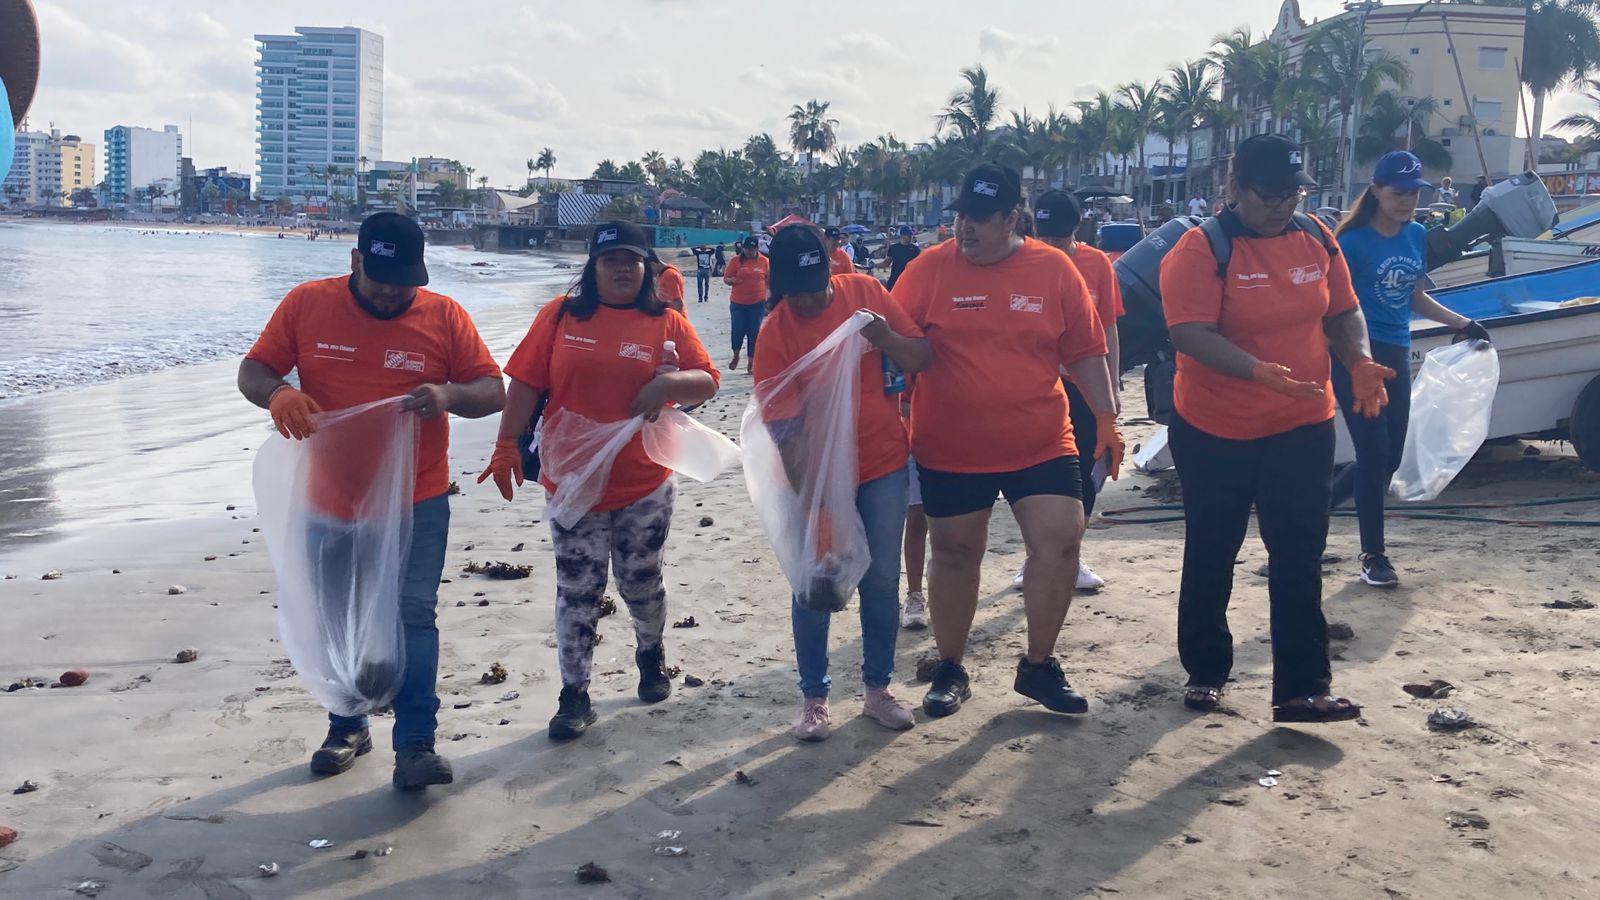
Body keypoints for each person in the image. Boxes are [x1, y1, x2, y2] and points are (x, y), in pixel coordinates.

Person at [238, 212, 506, 789]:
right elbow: (254, 370)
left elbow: (492, 391)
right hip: (328, 499)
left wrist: (450, 394)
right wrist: (280, 393)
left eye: (404, 279)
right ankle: (347, 724)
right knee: (339, 616)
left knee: (412, 616)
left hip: (418, 499)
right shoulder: (308, 304)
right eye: (381, 275)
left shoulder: (445, 317)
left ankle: (415, 745)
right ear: (355, 260)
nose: (391, 290)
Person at [1158, 134, 1393, 723]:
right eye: (1268, 194)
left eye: (1292, 193)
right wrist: (1258, 372)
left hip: (1300, 423)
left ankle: (1301, 687)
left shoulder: (1315, 237)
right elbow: (1190, 333)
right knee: (1214, 548)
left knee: (1298, 552)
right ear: (1234, 189)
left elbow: (1342, 311)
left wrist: (1359, 360)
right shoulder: (1200, 248)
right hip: (1214, 428)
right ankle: (1207, 670)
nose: (1282, 205)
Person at [890, 163, 1125, 719]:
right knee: (955, 554)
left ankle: (1038, 666)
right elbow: (895, 348)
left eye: (979, 218)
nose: (964, 229)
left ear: (1011, 218)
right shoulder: (927, 272)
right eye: (960, 217)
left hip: (1040, 438)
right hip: (950, 443)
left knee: (1062, 540)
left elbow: (1087, 351)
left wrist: (1110, 420)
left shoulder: (1054, 269)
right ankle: (949, 666)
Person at [478, 221, 720, 741]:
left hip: (644, 481)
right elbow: (524, 382)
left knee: (639, 580)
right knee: (578, 588)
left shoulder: (667, 323)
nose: (621, 270)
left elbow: (708, 381)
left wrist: (671, 382)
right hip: (572, 479)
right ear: (593, 267)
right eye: (611, 261)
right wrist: (504, 445)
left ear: (646, 268)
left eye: (632, 261)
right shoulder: (561, 316)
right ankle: (574, 694)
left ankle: (651, 654)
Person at [753, 225, 932, 741]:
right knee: (816, 581)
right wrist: (818, 508)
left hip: (882, 465)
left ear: (831, 267)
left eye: (815, 285)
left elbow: (920, 357)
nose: (808, 299)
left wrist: (883, 338)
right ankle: (814, 698)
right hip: (813, 471)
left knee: (880, 580)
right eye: (795, 290)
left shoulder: (867, 295)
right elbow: (785, 433)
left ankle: (877, 689)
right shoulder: (775, 333)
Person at [1331, 152, 1491, 587]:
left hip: (1397, 351)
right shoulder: (1353, 242)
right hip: (1357, 355)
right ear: (1377, 191)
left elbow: (1414, 296)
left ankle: (1315, 514)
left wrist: (1462, 323)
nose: (1407, 201)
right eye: (1398, 192)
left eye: (1414, 192)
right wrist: (1345, 356)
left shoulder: (1416, 234)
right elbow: (1329, 307)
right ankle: (1373, 555)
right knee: (1372, 453)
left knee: (1390, 455)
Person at [1020, 190, 1124, 592]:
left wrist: (1112, 386)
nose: (1052, 246)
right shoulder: (1023, 261)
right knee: (1035, 476)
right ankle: (1034, 558)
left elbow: (1110, 326)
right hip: (1039, 385)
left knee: (1084, 472)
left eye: (1060, 239)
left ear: (1076, 230)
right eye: (1044, 237)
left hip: (1084, 386)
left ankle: (1073, 556)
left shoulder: (1097, 264)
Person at [723, 235, 770, 371]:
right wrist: (732, 281)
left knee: (754, 332)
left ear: (757, 248)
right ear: (743, 248)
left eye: (752, 249)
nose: (750, 252)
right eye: (747, 249)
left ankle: (751, 362)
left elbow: (769, 280)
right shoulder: (735, 261)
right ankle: (736, 355)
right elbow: (726, 278)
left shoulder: (764, 261)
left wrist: (770, 299)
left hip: (758, 303)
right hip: (738, 303)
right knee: (737, 330)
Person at [885, 225, 921, 290]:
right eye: (908, 235)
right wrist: (873, 265)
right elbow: (886, 263)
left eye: (911, 235)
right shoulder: (894, 248)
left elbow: (920, 265)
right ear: (902, 235)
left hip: (909, 282)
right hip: (895, 280)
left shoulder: (915, 249)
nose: (910, 237)